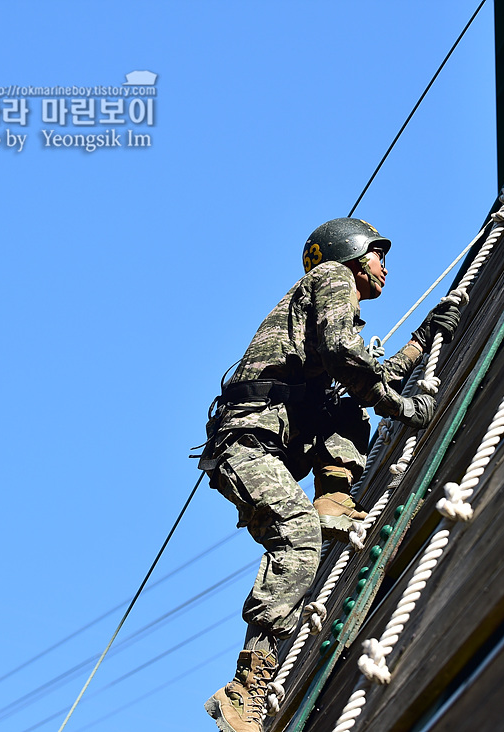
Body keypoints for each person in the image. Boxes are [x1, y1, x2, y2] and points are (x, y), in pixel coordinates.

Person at [196, 218, 461, 732]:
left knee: (344, 407)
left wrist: (423, 339)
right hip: (247, 445)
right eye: (379, 255)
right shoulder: (334, 278)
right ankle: (247, 683)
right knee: (298, 538)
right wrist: (403, 408)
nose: (385, 266)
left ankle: (335, 497)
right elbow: (347, 357)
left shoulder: (324, 309)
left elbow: (360, 371)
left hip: (273, 440)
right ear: (355, 254)